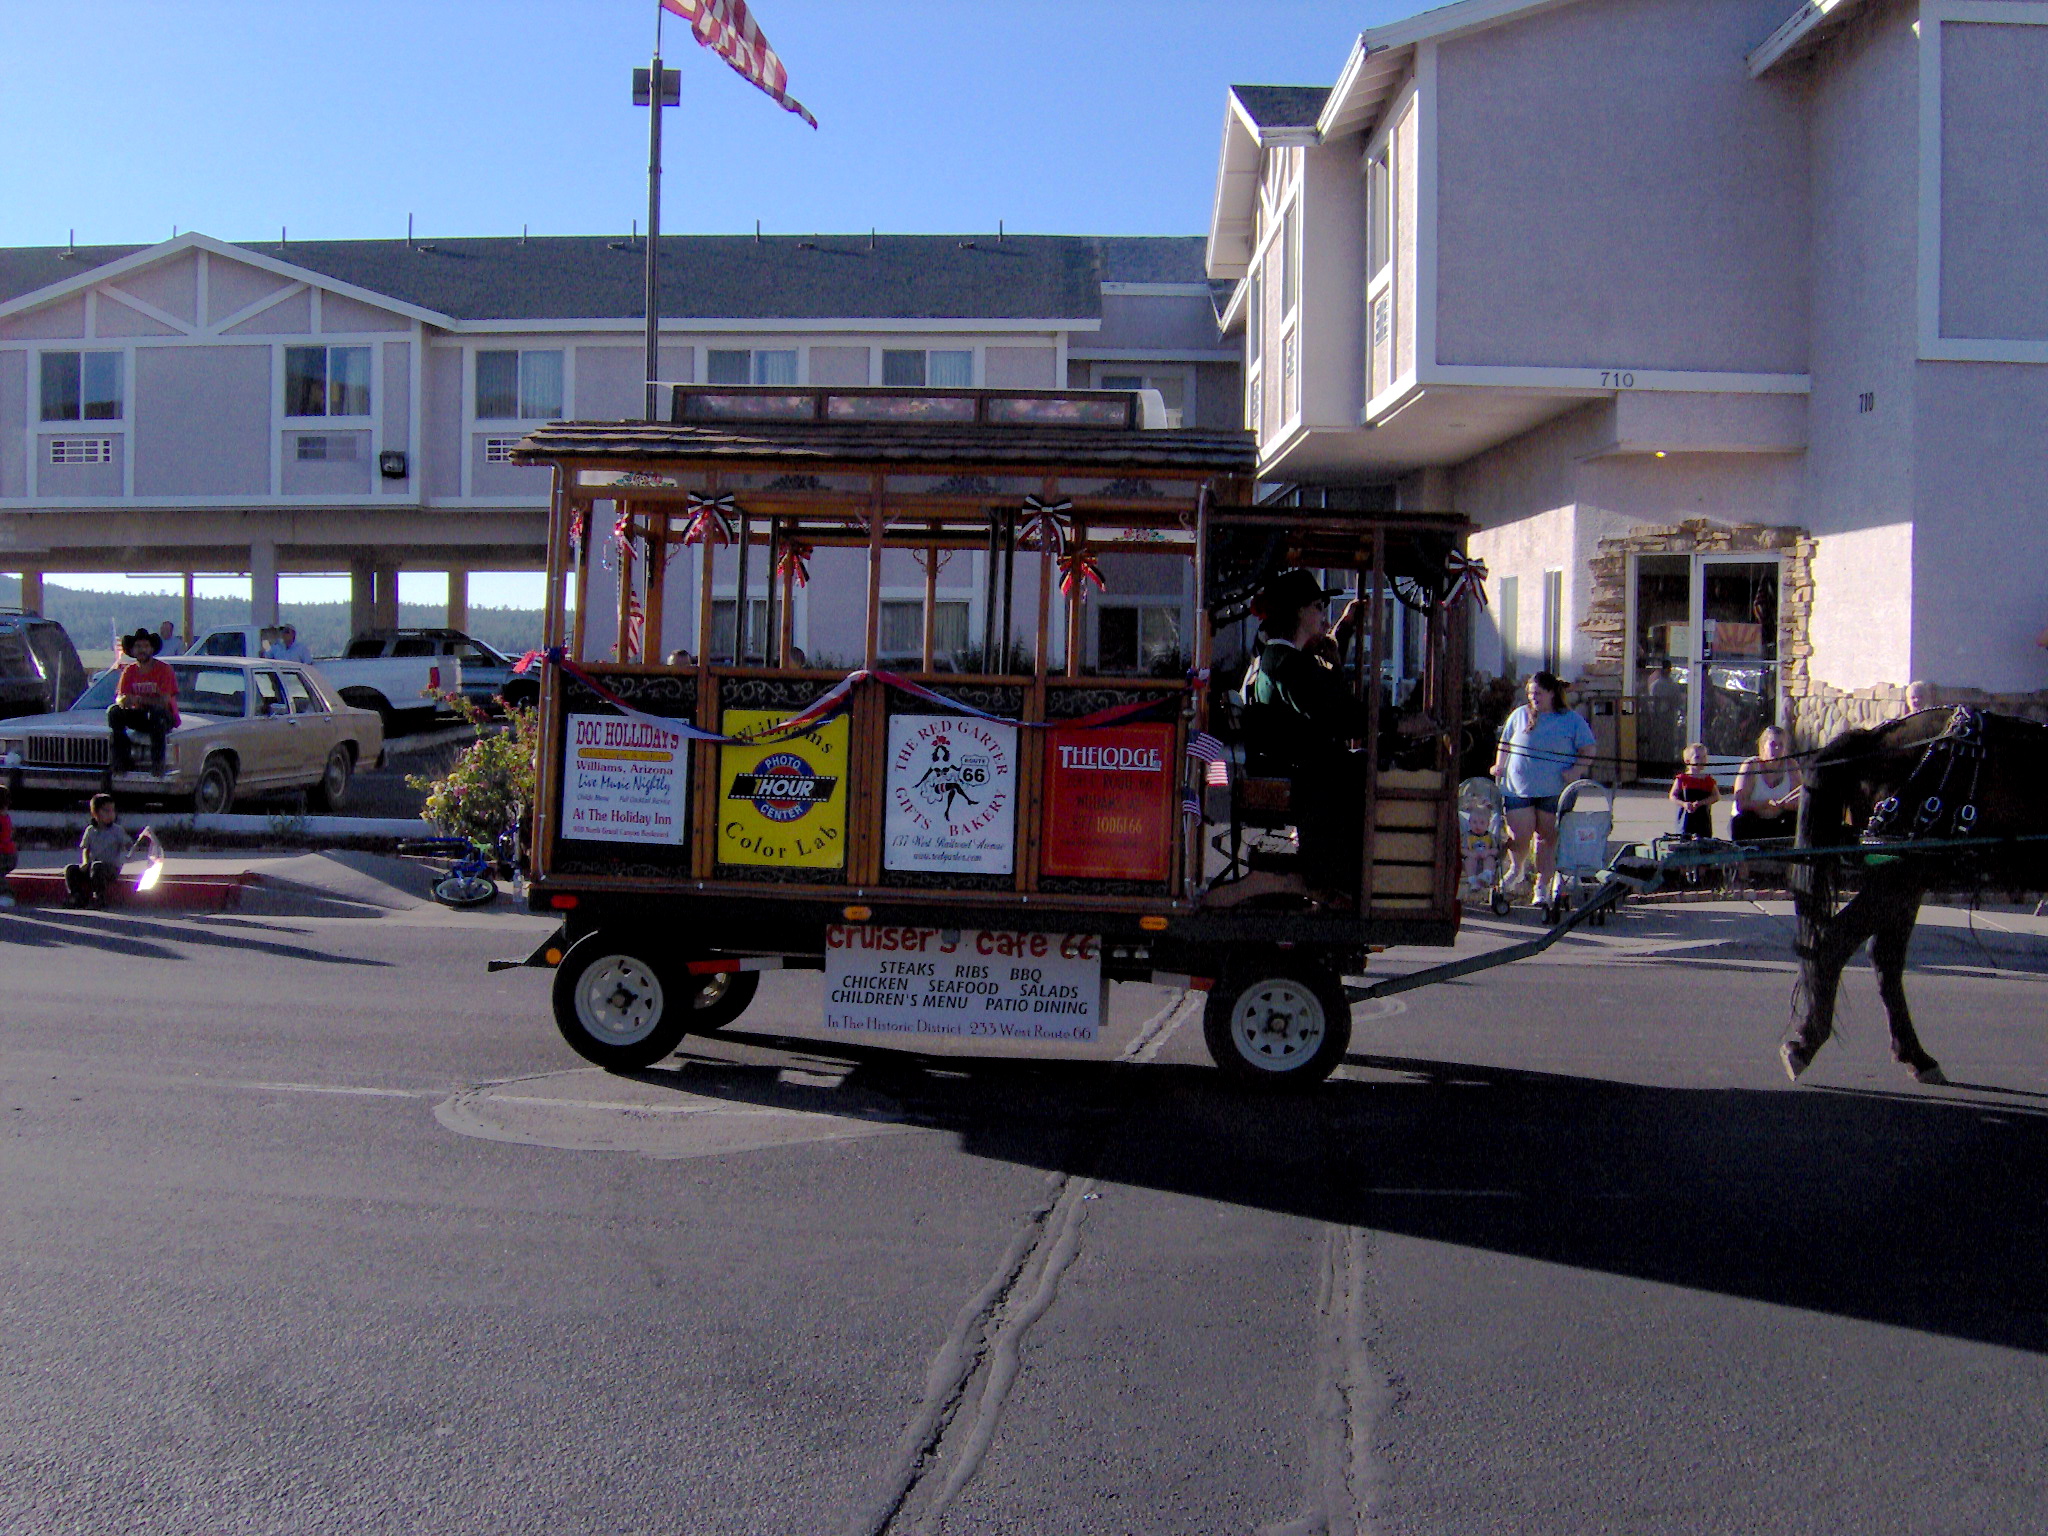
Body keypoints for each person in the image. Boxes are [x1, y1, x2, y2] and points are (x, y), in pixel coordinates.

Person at [1490, 670, 1597, 906]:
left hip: (1554, 790)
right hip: (1518, 788)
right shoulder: (1519, 715)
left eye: (1538, 693)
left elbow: (1588, 749)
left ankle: (1542, 885)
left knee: (1546, 839)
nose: (1533, 697)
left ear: (1551, 693)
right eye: (1530, 693)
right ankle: (1516, 870)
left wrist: (1576, 770)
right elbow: (1505, 743)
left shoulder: (1571, 719)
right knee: (1519, 836)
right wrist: (1499, 765)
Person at [108, 628, 180, 774]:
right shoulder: (129, 671)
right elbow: (120, 697)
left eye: (146, 646)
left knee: (156, 713)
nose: (142, 650)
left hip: (163, 718)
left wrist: (139, 699)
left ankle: (157, 764)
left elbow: (164, 701)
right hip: (141, 715)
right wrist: (123, 701)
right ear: (132, 650)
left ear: (152, 649)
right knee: (114, 712)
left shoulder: (164, 670)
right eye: (138, 646)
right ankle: (122, 760)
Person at [1731, 725, 1804, 844]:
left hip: (1780, 822)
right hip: (1753, 822)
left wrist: (1782, 805)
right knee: (1742, 820)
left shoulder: (1792, 766)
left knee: (1796, 820)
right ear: (1763, 746)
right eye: (1773, 744)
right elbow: (1741, 804)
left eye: (1781, 745)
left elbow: (1801, 800)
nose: (1777, 748)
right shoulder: (1751, 766)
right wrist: (1766, 804)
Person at [66, 793, 137, 909]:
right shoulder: (90, 830)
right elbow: (86, 848)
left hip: (110, 869)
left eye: (112, 811)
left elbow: (127, 843)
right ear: (96, 813)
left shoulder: (117, 830)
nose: (111, 814)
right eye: (107, 811)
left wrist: (131, 847)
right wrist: (85, 862)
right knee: (71, 869)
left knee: (97, 867)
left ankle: (99, 897)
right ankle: (77, 896)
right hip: (92, 867)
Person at [1669, 742, 1720, 840]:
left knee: (1703, 840)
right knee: (1685, 839)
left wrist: (1701, 803)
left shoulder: (1708, 780)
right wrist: (1684, 804)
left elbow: (1716, 796)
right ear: (1688, 761)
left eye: (1704, 757)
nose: (1702, 760)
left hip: (1703, 819)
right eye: (1697, 757)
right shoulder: (1682, 779)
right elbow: (1672, 796)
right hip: (1686, 818)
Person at [0, 784, 16, 910]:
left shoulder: (2, 819)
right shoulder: (5, 817)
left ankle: (7, 895)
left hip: (4, 855)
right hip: (9, 854)